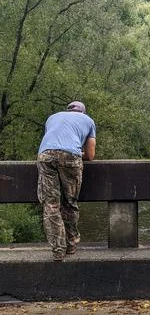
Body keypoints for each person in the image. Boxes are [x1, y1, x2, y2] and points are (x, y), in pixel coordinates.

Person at [37, 101, 96, 261]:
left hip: (45, 156)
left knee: (51, 205)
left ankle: (57, 251)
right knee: (70, 202)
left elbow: (52, 143)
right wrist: (75, 152)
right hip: (70, 158)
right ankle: (71, 245)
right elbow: (90, 155)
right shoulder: (88, 121)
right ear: (82, 112)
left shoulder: (52, 118)